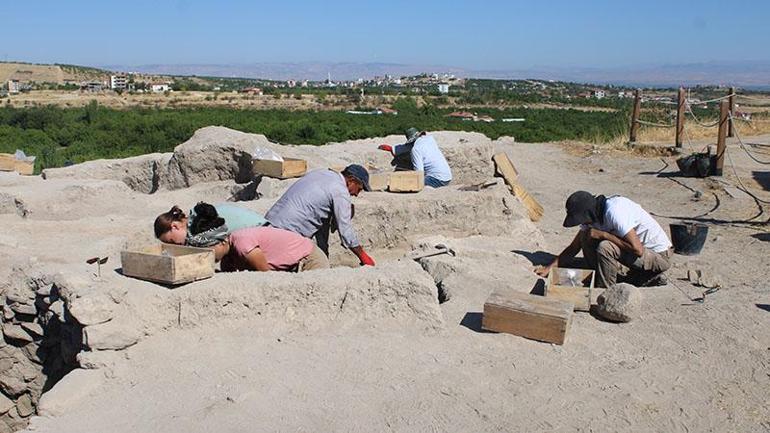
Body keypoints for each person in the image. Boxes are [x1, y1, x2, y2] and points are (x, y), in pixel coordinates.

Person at [536, 191, 673, 287]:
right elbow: (573, 248)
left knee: (605, 246)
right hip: (638, 256)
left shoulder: (614, 212)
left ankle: (605, 288)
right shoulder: (593, 216)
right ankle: (601, 276)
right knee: (586, 235)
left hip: (658, 256)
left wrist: (604, 235)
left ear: (589, 214)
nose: (582, 223)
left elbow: (638, 250)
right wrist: (549, 269)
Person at [265, 164, 375, 266]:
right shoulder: (340, 191)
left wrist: (324, 252)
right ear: (351, 180)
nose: (356, 194)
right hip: (287, 234)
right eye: (359, 189)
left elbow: (322, 227)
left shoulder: (321, 173)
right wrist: (363, 256)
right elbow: (346, 231)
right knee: (320, 265)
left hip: (268, 224)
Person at [218, 226, 329, 272]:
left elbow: (266, 276)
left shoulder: (242, 244)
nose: (209, 254)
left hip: (308, 259)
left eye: (210, 249)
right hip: (293, 265)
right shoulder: (228, 257)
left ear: (221, 242)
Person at [154, 202, 268, 247]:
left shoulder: (199, 226)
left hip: (263, 234)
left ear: (175, 226)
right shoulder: (197, 215)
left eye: (172, 241)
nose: (176, 245)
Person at [378, 128, 452, 188]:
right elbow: (408, 146)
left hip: (437, 179)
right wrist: (393, 149)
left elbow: (419, 174)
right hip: (447, 177)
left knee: (406, 184)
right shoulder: (429, 139)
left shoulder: (416, 150)